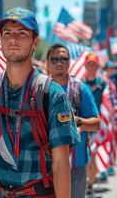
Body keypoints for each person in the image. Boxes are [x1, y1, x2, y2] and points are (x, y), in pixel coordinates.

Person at [0, 7, 80, 198]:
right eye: (7, 33)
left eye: (22, 33)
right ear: (0, 40)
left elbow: (60, 162)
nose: (13, 39)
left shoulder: (53, 95)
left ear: (35, 42)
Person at [46, 44, 100, 198]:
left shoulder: (80, 88)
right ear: (47, 63)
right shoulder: (39, 89)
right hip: (45, 163)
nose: (59, 63)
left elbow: (97, 124)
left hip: (76, 161)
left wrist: (76, 121)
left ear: (69, 62)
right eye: (54, 59)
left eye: (63, 59)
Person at [82, 53, 109, 196]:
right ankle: (87, 180)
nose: (91, 67)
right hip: (84, 126)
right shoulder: (81, 84)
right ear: (85, 66)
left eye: (94, 64)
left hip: (98, 126)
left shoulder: (103, 84)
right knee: (85, 157)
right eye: (89, 64)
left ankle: (90, 184)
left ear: (97, 66)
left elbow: (109, 103)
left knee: (92, 156)